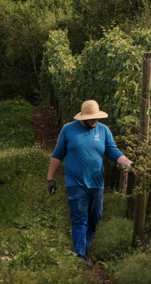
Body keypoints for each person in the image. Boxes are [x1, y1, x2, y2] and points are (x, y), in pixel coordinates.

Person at [46, 100, 135, 266]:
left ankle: (83, 250)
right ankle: (80, 257)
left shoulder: (103, 130)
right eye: (92, 118)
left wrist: (129, 163)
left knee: (94, 219)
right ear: (83, 118)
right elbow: (58, 154)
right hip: (76, 184)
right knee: (80, 219)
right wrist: (50, 178)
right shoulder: (68, 130)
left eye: (97, 118)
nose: (95, 121)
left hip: (97, 184)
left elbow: (113, 152)